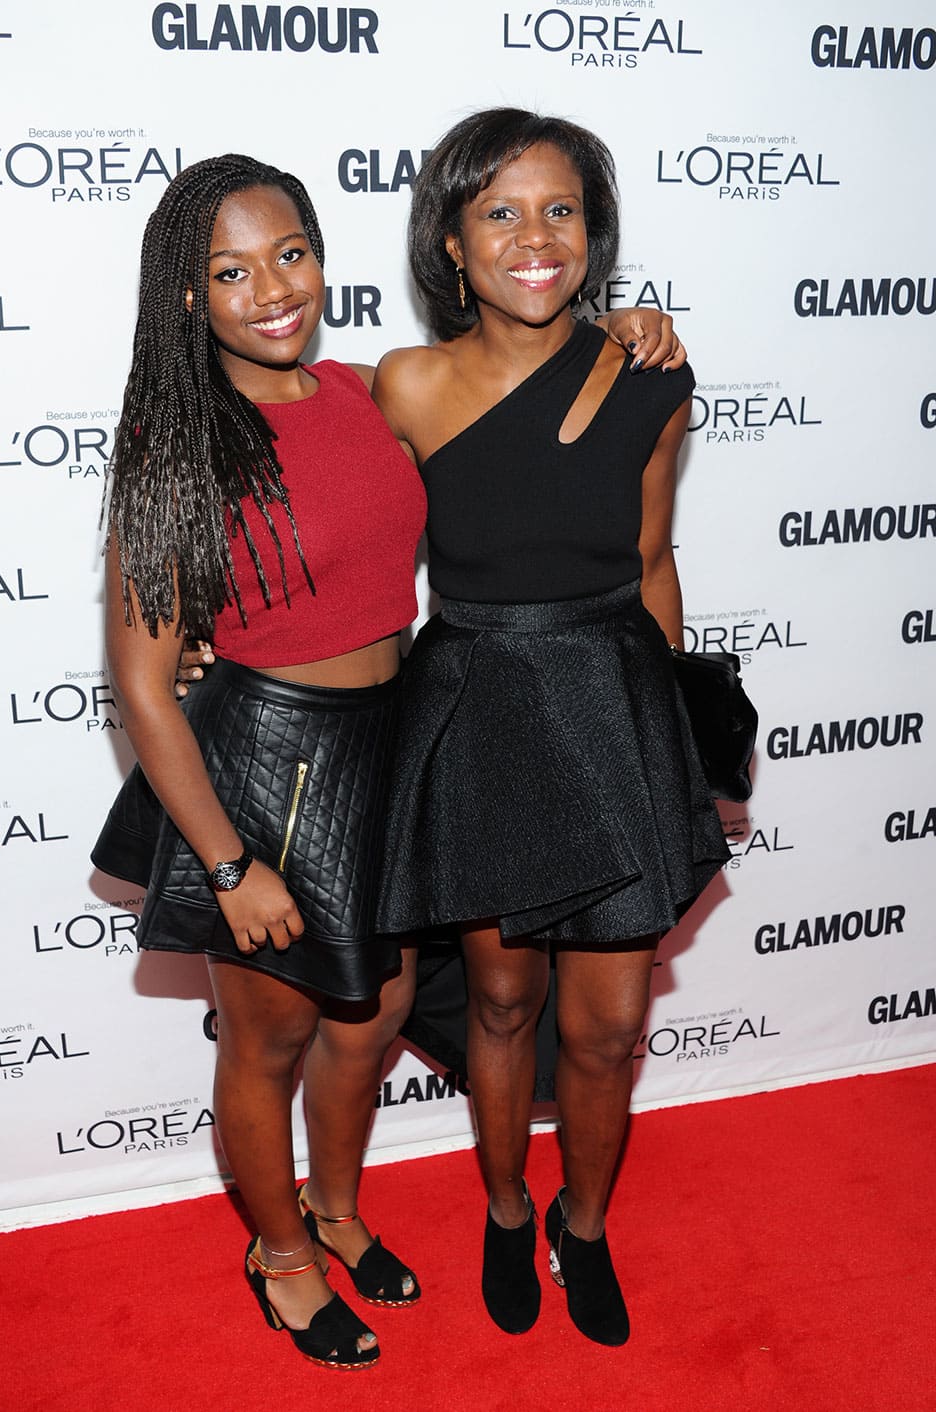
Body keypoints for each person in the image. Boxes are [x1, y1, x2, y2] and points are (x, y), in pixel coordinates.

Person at [94, 150, 680, 1370]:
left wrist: (623, 325)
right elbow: (145, 684)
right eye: (231, 270)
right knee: (267, 1039)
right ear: (185, 295)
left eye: (291, 254)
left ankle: (340, 1209)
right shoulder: (175, 446)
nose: (272, 288)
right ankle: (283, 1257)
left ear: (323, 258)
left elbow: (510, 402)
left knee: (373, 1020)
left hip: (395, 741)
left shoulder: (366, 390)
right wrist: (228, 855)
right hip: (266, 768)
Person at [371, 109, 730, 1347]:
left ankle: (585, 1221)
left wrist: (678, 727)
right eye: (501, 213)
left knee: (607, 1024)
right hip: (478, 706)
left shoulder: (652, 373)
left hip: (612, 701)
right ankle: (509, 1208)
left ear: (596, 234)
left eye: (562, 210)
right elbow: (358, 561)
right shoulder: (405, 385)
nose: (536, 238)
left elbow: (650, 558)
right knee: (504, 1001)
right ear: (453, 244)